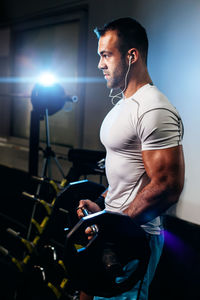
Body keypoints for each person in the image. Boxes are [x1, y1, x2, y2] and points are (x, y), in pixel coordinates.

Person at [77, 17, 185, 300]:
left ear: (131, 55)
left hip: (133, 239)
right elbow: (127, 176)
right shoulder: (124, 105)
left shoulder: (153, 109)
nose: (100, 64)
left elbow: (167, 186)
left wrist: (112, 227)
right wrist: (102, 204)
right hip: (112, 231)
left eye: (106, 55)